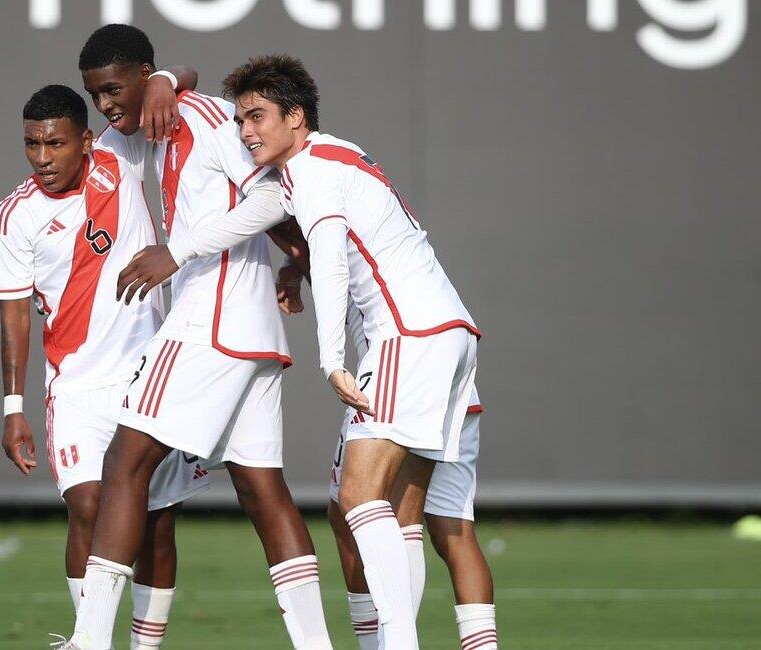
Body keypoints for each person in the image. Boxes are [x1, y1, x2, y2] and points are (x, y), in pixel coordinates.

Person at [118, 54, 481, 649]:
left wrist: (331, 359)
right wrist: (200, 254)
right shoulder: (326, 159)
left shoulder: (312, 169)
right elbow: (260, 218)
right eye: (240, 119)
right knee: (399, 514)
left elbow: (332, 259)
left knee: (358, 497)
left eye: (257, 116)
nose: (245, 131)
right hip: (450, 333)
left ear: (296, 117)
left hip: (407, 335)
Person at [66, 25, 333, 650]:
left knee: (125, 463)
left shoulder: (207, 118)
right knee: (262, 489)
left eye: (113, 89)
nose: (105, 104)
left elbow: (275, 194)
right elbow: (258, 201)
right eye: (95, 94)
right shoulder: (145, 126)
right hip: (249, 333)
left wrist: (177, 250)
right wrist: (295, 260)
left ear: (142, 76)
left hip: (209, 321)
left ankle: (90, 641)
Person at [0, 84, 210, 649]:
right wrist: (13, 408)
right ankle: (91, 641)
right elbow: (15, 317)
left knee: (156, 523)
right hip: (77, 385)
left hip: (148, 376)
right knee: (88, 505)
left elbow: (177, 78)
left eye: (55, 143)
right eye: (31, 144)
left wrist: (163, 80)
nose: (42, 157)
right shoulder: (13, 219)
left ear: (86, 141)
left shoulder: (120, 153)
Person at [277, 260, 498, 649]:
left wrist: (291, 263)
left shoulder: (338, 233)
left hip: (403, 372)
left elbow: (303, 239)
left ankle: (386, 644)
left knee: (356, 507)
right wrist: (293, 267)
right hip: (455, 382)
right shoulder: (405, 253)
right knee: (451, 530)